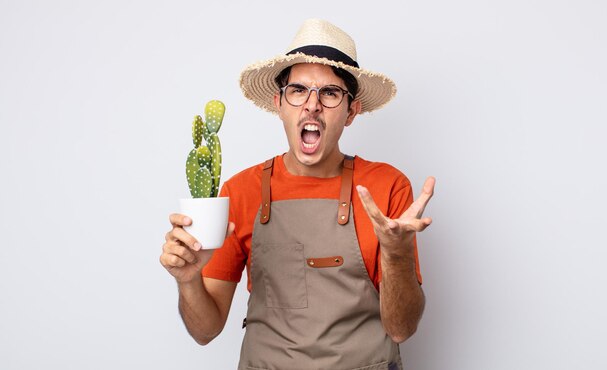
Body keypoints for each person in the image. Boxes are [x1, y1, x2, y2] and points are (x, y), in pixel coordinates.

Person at [160, 19, 435, 370]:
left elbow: (401, 329)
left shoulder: (387, 187)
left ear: (351, 111)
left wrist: (397, 256)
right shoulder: (240, 191)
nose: (312, 105)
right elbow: (205, 330)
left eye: (330, 93)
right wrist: (188, 281)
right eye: (298, 90)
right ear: (279, 103)